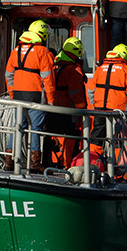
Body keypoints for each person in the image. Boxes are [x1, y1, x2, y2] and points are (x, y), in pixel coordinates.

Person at [6, 21, 58, 173]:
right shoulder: (43, 52)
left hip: (18, 96)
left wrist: (12, 93)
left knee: (17, 127)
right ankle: (35, 164)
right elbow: (48, 78)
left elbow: (8, 75)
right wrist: (51, 100)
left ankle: (9, 161)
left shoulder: (16, 50)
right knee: (35, 128)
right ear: (42, 35)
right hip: (36, 96)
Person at [86, 43, 127, 175]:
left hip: (99, 110)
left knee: (96, 138)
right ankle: (118, 172)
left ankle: (92, 167)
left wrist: (95, 104)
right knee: (118, 141)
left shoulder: (100, 68)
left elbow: (91, 91)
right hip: (117, 112)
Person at [46, 35, 89, 168]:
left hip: (53, 108)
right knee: (73, 135)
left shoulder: (55, 65)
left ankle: (50, 161)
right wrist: (81, 113)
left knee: (51, 135)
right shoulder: (73, 71)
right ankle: (68, 164)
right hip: (69, 111)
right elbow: (76, 95)